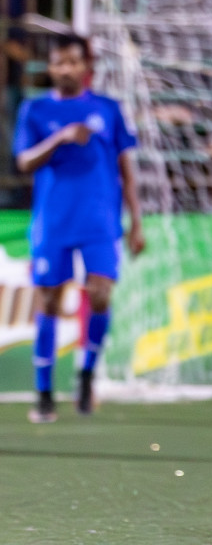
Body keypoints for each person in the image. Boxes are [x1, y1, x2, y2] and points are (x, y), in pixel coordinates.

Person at [13, 33, 145, 423]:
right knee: (50, 301)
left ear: (87, 66)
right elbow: (23, 163)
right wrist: (60, 137)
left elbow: (127, 171)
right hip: (53, 221)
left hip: (100, 220)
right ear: (50, 67)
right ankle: (44, 391)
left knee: (100, 294)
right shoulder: (34, 111)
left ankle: (87, 374)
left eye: (73, 62)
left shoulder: (108, 109)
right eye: (58, 62)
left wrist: (136, 222)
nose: (66, 69)